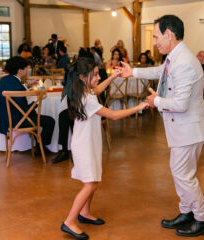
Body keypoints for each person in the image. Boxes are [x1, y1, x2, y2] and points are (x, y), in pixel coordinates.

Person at [120, 15, 204, 237]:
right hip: (183, 128)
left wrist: (156, 102)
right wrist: (132, 72)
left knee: (183, 175)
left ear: (169, 35)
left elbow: (181, 104)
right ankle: (187, 212)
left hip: (188, 129)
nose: (154, 42)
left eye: (155, 37)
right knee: (181, 173)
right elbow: (159, 72)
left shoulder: (184, 63)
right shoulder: (176, 56)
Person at [60, 57, 148, 240]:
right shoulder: (86, 98)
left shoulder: (85, 91)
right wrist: (139, 106)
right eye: (96, 75)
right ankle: (69, 221)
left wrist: (113, 76)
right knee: (90, 183)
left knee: (93, 180)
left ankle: (85, 213)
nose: (99, 77)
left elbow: (98, 89)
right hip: (84, 145)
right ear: (84, 77)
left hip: (88, 142)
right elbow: (114, 115)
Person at [0, 56, 55, 153]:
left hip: (4, 120)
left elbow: (14, 89)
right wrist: (39, 99)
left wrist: (28, 85)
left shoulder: (3, 80)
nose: (28, 69)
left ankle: (39, 145)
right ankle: (41, 149)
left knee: (34, 116)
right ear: (20, 70)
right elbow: (25, 111)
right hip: (18, 121)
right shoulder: (19, 87)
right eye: (26, 68)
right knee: (49, 121)